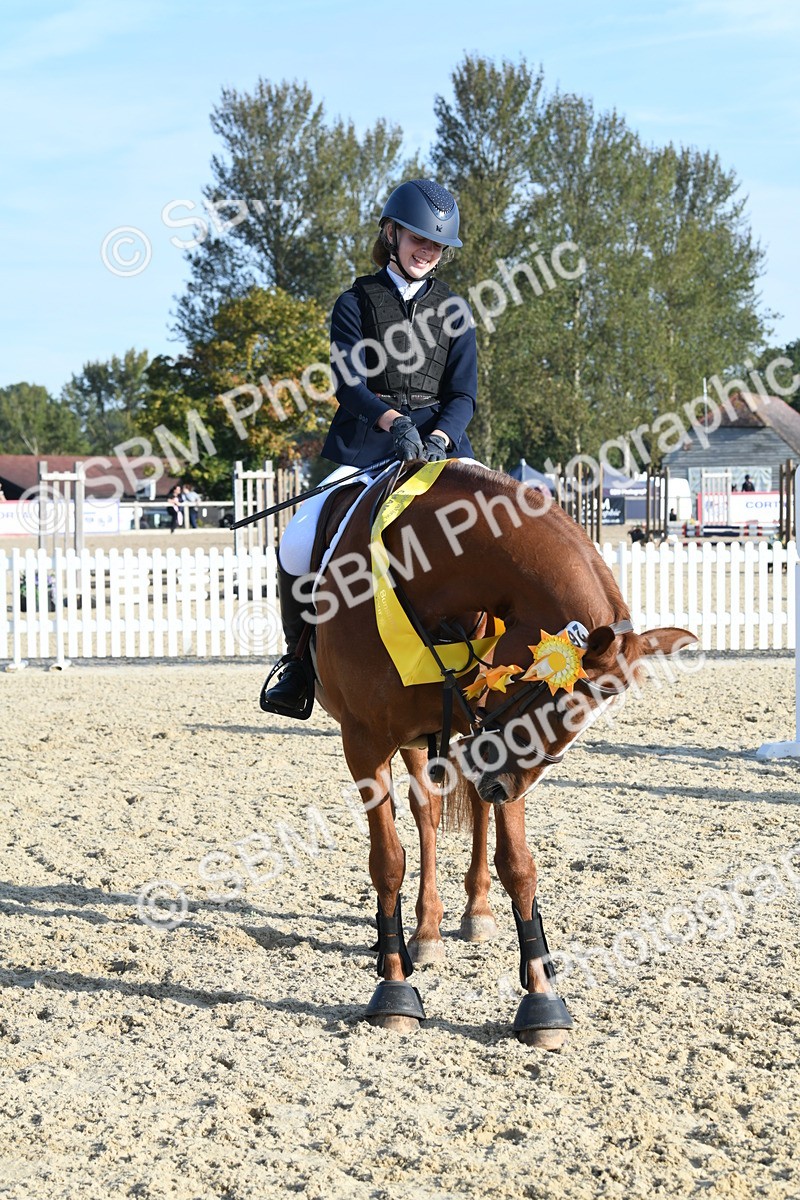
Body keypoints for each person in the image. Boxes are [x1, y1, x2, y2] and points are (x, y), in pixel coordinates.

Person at [262, 178, 478, 717]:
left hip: (441, 439)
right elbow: (348, 385)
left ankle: (505, 658)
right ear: (391, 233)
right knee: (297, 539)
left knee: (502, 517)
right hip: (368, 440)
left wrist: (436, 436)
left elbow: (464, 394)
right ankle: (298, 664)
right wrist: (393, 422)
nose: (426, 252)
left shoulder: (454, 309)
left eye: (436, 246)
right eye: (417, 240)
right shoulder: (356, 301)